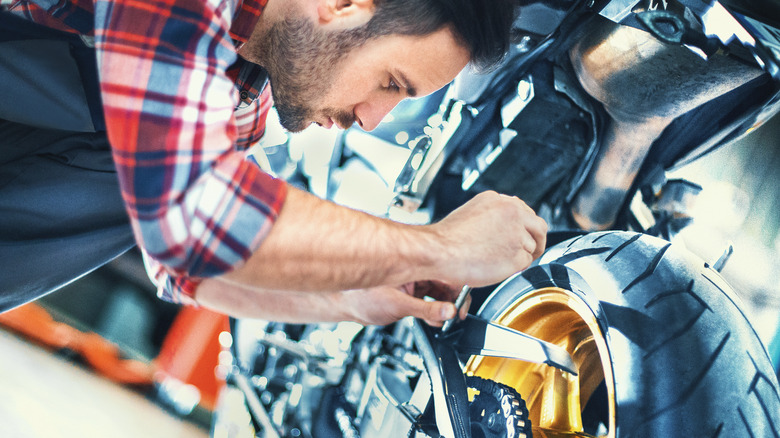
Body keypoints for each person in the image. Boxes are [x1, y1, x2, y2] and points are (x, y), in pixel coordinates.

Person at [0, 0, 547, 325]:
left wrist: (348, 296)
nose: (373, 117)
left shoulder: (241, 104)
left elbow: (186, 267)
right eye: (390, 83)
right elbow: (195, 218)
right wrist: (441, 248)